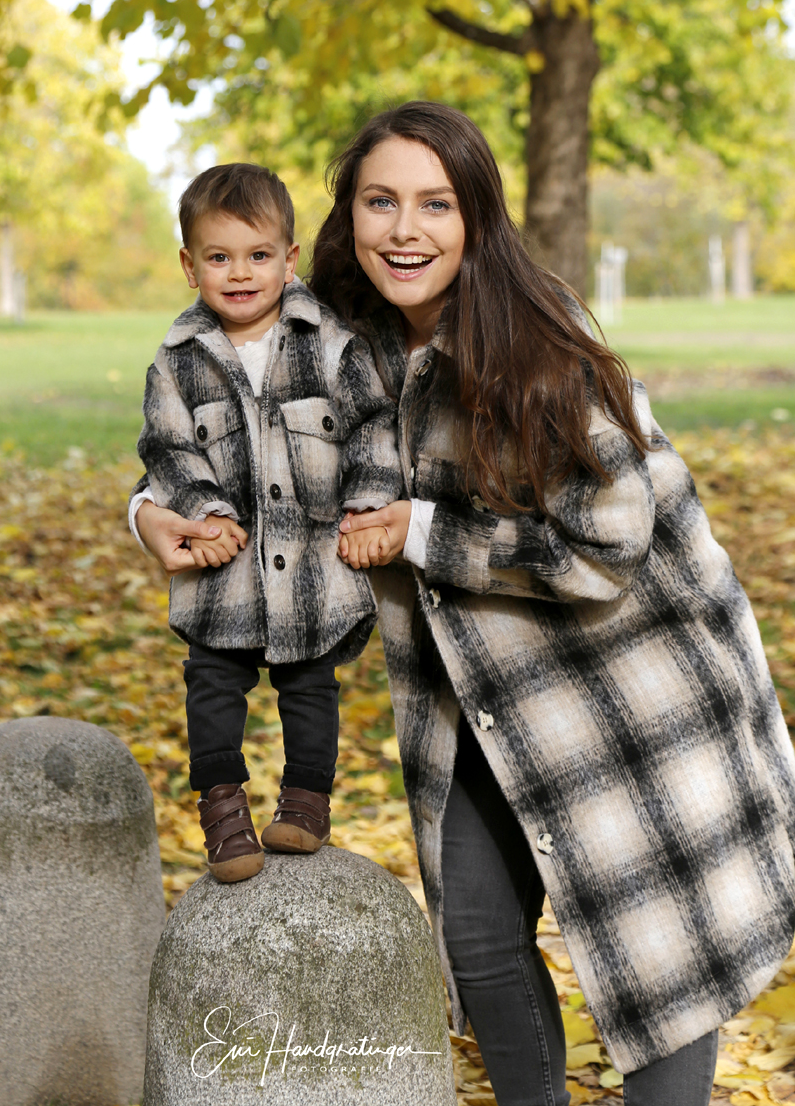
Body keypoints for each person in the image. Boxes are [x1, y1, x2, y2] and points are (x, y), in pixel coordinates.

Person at [133, 106, 795, 1105]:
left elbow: (611, 540)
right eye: (381, 201)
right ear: (347, 217)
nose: (406, 229)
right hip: (476, 697)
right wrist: (148, 511)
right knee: (480, 942)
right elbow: (225, 427)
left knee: (663, 967)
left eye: (435, 204)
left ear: (477, 216)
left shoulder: (541, 346)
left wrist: (421, 531)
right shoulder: (337, 338)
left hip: (633, 696)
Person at [132, 162, 400, 883]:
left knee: (311, 687)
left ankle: (307, 804)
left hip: (313, 572)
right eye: (219, 257)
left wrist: (369, 503)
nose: (240, 273)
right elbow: (166, 446)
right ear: (189, 266)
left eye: (258, 255)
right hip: (223, 576)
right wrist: (202, 511)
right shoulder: (178, 361)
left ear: (290, 258)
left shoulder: (331, 343)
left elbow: (373, 427)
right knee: (210, 687)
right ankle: (222, 811)